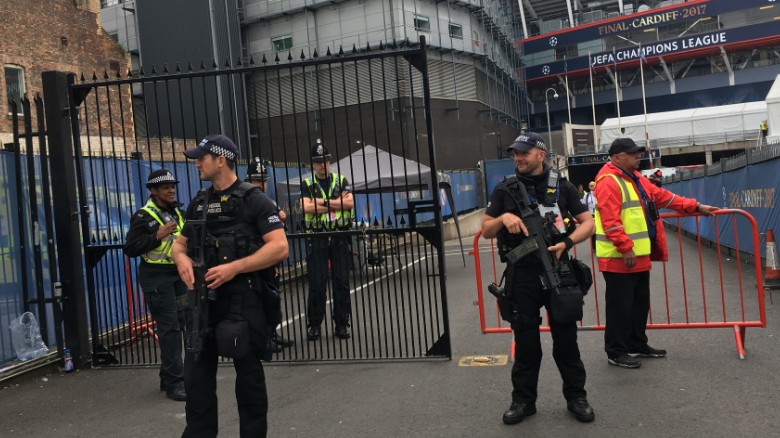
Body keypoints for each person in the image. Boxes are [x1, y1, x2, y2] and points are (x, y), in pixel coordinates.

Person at [172, 134, 288, 437]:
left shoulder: (255, 200)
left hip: (242, 301)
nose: (196, 163)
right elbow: (178, 245)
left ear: (220, 159)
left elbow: (279, 247)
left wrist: (234, 267)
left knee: (249, 384)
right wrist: (181, 259)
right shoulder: (199, 202)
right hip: (203, 305)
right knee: (197, 384)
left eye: (202, 157)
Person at [481, 132, 596, 425]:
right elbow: (486, 229)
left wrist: (567, 244)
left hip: (559, 271)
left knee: (566, 340)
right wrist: (502, 219)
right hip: (523, 276)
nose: (518, 157)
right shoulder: (504, 190)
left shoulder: (563, 187)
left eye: (524, 152)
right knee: (527, 342)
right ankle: (523, 401)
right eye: (515, 153)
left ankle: (576, 397)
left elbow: (588, 223)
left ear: (540, 155)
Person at [593, 138, 717, 369]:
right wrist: (625, 247)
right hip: (620, 257)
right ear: (617, 157)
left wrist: (696, 207)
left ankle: (637, 343)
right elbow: (610, 220)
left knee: (639, 304)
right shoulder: (609, 181)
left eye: (638, 153)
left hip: (638, 256)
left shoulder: (635, 178)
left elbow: (663, 198)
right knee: (620, 308)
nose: (638, 157)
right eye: (632, 154)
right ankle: (616, 351)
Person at [123, 169, 187, 402]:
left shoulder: (178, 211)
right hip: (157, 277)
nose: (170, 190)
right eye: (165, 187)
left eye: (172, 185)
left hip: (178, 275)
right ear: (153, 190)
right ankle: (175, 383)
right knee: (169, 329)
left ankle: (168, 376)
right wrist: (157, 235)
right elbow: (130, 249)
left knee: (180, 323)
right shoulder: (143, 216)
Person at [300, 139, 355, 341]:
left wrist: (321, 203)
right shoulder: (307, 183)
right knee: (317, 284)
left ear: (330, 161)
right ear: (313, 164)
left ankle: (341, 324)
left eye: (325, 160)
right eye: (318, 161)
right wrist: (336, 204)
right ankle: (314, 325)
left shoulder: (341, 180)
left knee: (341, 282)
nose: (323, 164)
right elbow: (306, 207)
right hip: (317, 237)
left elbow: (349, 203)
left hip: (339, 236)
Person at [245, 156, 294, 353]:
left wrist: (281, 217)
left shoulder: (269, 200)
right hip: (258, 256)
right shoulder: (246, 200)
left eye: (264, 180)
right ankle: (263, 338)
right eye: (257, 180)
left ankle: (272, 333)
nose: (262, 184)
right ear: (249, 180)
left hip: (272, 258)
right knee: (260, 299)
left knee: (273, 298)